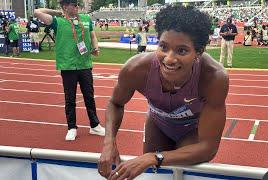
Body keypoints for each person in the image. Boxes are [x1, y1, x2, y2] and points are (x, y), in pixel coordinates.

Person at [98, 5, 229, 179]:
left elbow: (207, 148)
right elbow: (115, 103)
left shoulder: (214, 77)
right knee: (153, 175)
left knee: (180, 172)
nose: (169, 58)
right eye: (164, 47)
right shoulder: (135, 69)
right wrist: (109, 141)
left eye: (182, 50)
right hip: (157, 124)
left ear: (199, 52)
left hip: (192, 130)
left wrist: (154, 157)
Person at [34, 0, 105, 141]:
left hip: (85, 64)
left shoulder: (85, 18)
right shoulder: (57, 21)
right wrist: (57, 12)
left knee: (89, 97)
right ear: (65, 7)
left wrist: (95, 47)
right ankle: (72, 127)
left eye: (78, 4)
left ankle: (95, 125)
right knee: (70, 99)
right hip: (68, 66)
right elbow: (37, 12)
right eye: (74, 5)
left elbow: (92, 35)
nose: (77, 7)